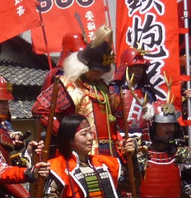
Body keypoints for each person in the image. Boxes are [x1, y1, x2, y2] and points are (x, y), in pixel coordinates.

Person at [32, 26, 123, 156]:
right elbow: (40, 109)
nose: (99, 74)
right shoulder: (68, 85)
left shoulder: (104, 88)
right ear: (84, 67)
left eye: (102, 71)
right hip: (79, 152)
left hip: (109, 152)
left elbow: (115, 119)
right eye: (96, 70)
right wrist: (67, 135)